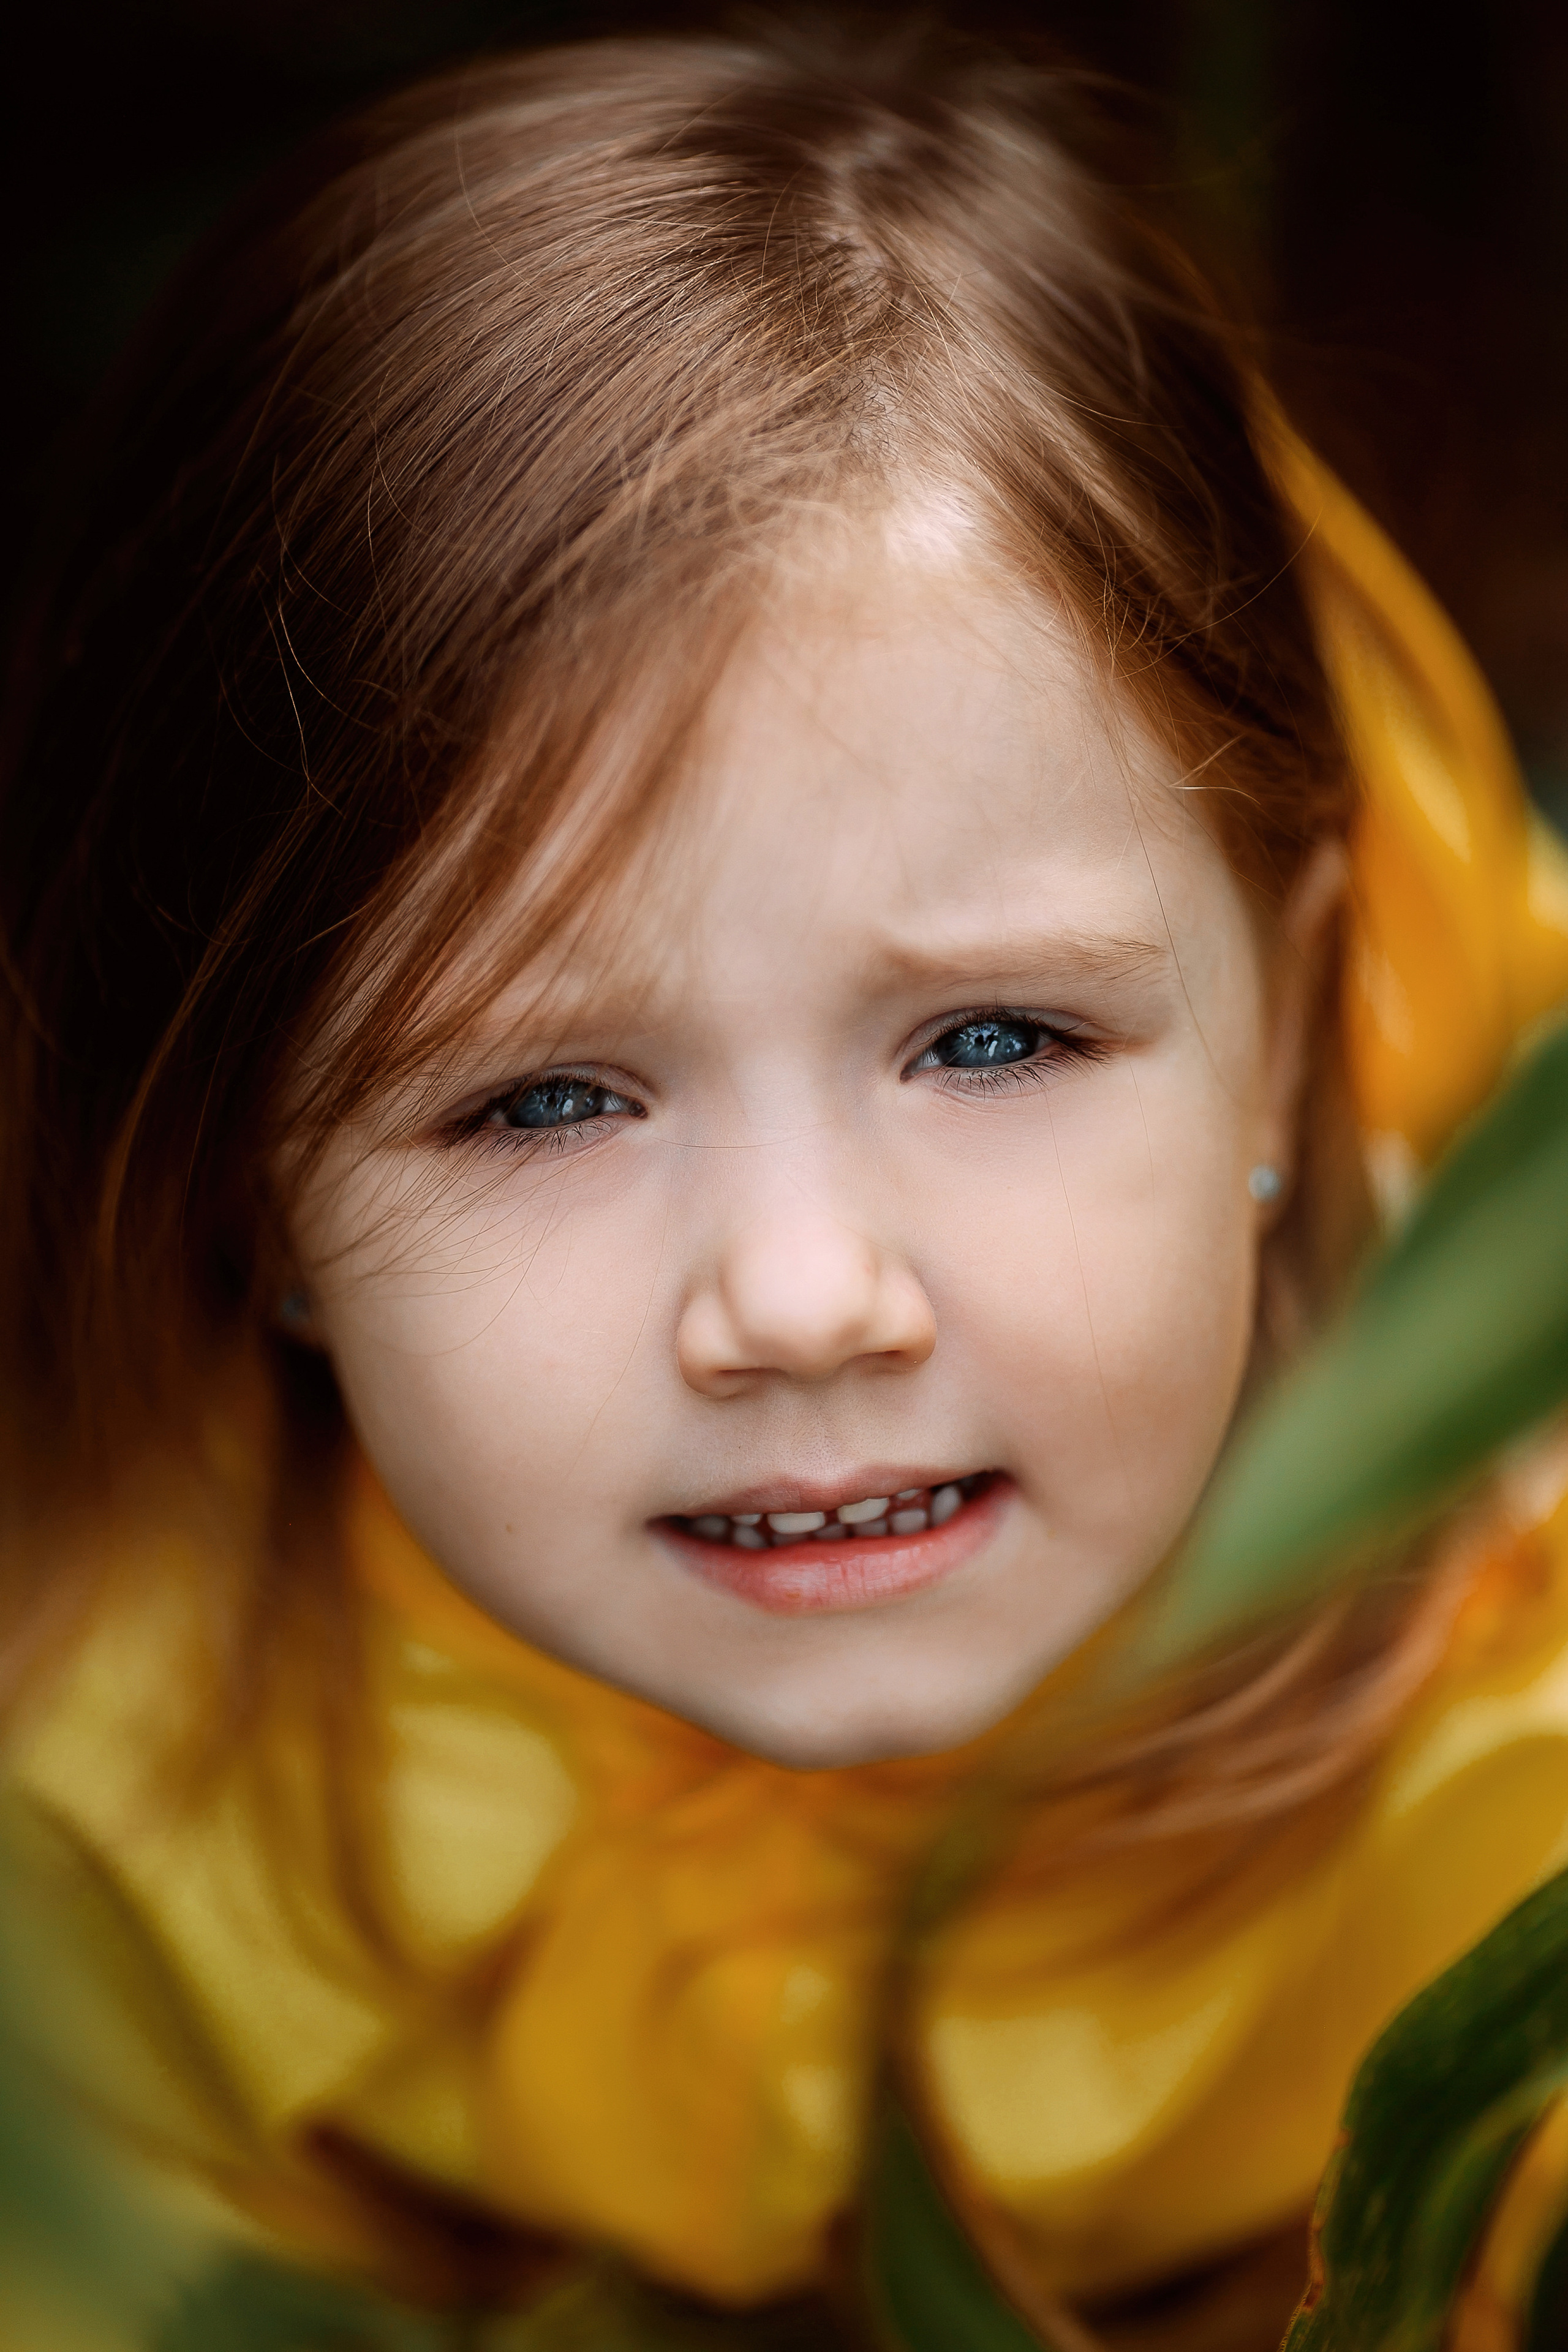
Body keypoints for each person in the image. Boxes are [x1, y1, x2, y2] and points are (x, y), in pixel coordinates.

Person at [3, 23, 1567, 2349]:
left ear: (1300, 1021)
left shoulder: (1525, 1749)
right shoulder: (110, 1785)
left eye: (996, 1039)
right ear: (259, 1199)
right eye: (538, 1101)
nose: (806, 1297)